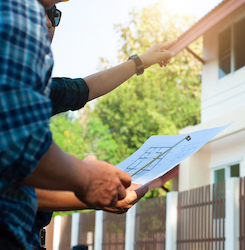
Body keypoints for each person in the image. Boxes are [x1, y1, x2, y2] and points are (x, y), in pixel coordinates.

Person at [0, 0, 176, 249]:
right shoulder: (16, 12)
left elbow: (82, 89)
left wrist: (141, 61)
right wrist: (89, 182)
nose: (49, 22)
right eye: (42, 10)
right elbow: (19, 152)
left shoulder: (37, 87)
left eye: (54, 14)